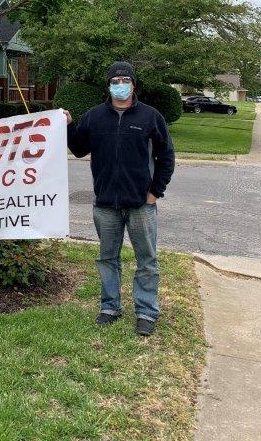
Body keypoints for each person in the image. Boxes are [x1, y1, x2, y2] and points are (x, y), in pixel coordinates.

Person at [64, 61, 175, 337]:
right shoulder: (94, 117)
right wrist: (67, 125)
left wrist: (155, 192)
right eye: (115, 81)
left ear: (133, 84)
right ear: (109, 85)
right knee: (107, 258)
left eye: (125, 80)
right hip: (105, 204)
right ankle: (110, 307)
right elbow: (78, 149)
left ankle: (146, 312)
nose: (120, 85)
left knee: (146, 260)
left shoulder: (151, 117)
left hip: (140, 204)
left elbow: (166, 156)